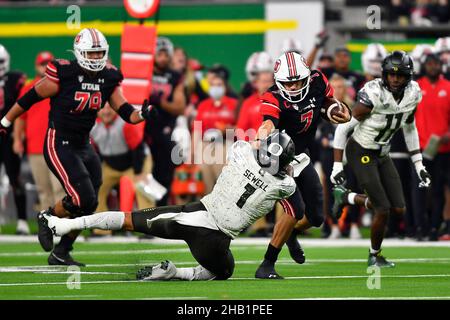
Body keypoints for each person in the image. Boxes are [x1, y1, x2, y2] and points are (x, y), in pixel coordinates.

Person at [39, 131, 309, 280]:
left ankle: (64, 224)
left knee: (128, 220)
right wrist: (289, 161)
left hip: (194, 215)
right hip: (216, 243)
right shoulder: (284, 185)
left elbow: (250, 145)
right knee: (223, 273)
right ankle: (175, 272)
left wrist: (266, 145)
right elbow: (286, 173)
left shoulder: (241, 153)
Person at [0, 28, 156, 265]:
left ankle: (62, 251)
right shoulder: (64, 73)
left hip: (84, 144)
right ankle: (48, 216)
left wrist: (141, 114)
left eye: (99, 53)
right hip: (59, 141)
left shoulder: (109, 77)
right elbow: (29, 98)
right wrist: (5, 120)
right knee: (82, 196)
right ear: (80, 53)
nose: (95, 58)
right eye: (91, 54)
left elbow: (126, 112)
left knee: (90, 202)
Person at [253, 51, 352, 279]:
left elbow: (327, 102)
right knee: (295, 209)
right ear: (279, 82)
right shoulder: (272, 97)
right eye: (289, 83)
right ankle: (267, 263)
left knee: (316, 217)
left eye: (298, 80)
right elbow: (268, 122)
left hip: (302, 156)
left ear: (307, 76)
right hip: (280, 160)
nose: (295, 86)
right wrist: (261, 137)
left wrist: (335, 108)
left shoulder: (318, 81)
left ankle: (290, 233)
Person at [330, 51, 431, 267]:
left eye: (400, 75)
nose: (395, 79)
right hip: (361, 150)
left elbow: (410, 127)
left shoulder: (413, 93)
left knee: (398, 208)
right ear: (384, 74)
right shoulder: (373, 94)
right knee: (382, 208)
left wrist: (419, 164)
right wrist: (337, 165)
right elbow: (342, 128)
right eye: (391, 75)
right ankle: (374, 256)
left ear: (408, 77)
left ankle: (346, 197)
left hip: (383, 152)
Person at [13, 51, 65, 219]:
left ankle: (64, 225)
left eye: (48, 63)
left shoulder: (62, 85)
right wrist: (17, 140)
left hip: (57, 145)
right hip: (36, 147)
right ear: (36, 66)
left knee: (60, 187)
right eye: (42, 64)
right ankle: (49, 225)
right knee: (43, 190)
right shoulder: (28, 88)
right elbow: (20, 117)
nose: (45, 67)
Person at [144, 37, 186, 206]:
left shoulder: (175, 76)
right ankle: (145, 210)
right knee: (146, 171)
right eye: (159, 54)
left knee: (164, 171)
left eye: (165, 54)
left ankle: (160, 208)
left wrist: (160, 102)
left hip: (165, 130)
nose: (162, 57)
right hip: (143, 129)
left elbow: (180, 106)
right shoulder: (144, 72)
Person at [414, 53, 450, 241]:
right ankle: (420, 227)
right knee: (420, 189)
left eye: (436, 63)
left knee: (437, 190)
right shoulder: (416, 87)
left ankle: (435, 227)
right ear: (424, 66)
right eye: (429, 64)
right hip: (419, 148)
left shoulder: (448, 87)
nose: (433, 67)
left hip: (442, 149)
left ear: (441, 66)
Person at [193, 70, 238, 195]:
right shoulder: (203, 105)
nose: (216, 88)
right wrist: (192, 153)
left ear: (225, 87)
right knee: (205, 186)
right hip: (205, 146)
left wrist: (228, 129)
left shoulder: (233, 104)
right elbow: (197, 130)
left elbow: (241, 128)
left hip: (225, 145)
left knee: (223, 183)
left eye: (219, 85)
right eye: (213, 85)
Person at [0, 44, 28, 234]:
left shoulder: (15, 80)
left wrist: (19, 136)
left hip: (9, 137)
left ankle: (22, 220)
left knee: (15, 178)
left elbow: (22, 107)